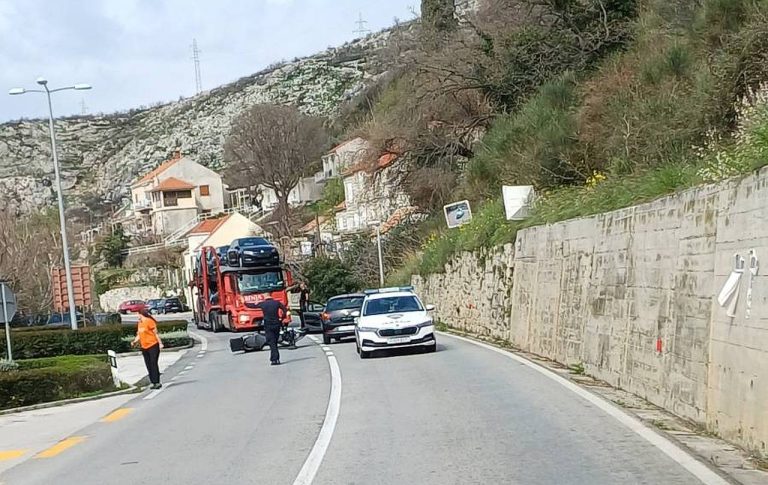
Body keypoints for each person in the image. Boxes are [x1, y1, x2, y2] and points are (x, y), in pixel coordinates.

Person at [132, 309, 164, 389]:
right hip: (144, 346)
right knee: (148, 364)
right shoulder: (140, 323)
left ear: (141, 314)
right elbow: (139, 334)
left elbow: (155, 333)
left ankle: (157, 382)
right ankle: (153, 382)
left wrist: (160, 343)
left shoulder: (149, 321)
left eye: (137, 314)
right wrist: (134, 341)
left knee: (153, 363)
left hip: (153, 345)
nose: (137, 316)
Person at [253, 294, 289, 365]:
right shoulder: (276, 303)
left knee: (272, 342)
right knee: (275, 341)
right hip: (276, 324)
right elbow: (285, 310)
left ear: (265, 297)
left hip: (268, 325)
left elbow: (252, 306)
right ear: (271, 296)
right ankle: (275, 358)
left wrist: (244, 301)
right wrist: (282, 318)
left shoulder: (263, 304)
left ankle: (274, 359)